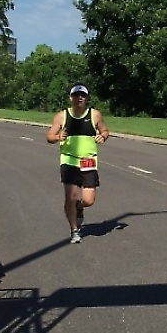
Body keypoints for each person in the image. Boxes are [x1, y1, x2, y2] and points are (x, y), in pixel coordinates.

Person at [46, 84, 109, 244]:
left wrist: (102, 136)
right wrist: (57, 137)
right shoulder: (62, 116)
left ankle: (79, 208)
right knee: (70, 197)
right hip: (69, 160)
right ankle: (74, 230)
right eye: (76, 95)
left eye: (83, 95)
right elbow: (49, 136)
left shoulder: (95, 115)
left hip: (88, 160)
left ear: (86, 98)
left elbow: (105, 131)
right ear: (70, 98)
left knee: (89, 200)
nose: (79, 98)